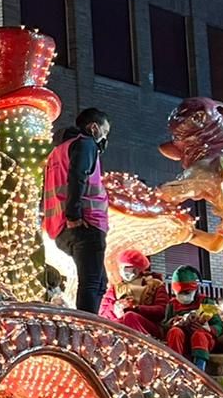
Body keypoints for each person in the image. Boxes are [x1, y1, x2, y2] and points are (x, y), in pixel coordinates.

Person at [42, 107, 111, 314]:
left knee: (100, 283)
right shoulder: (86, 144)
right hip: (85, 224)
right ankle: (86, 336)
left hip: (62, 229)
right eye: (105, 132)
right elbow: (78, 177)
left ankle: (88, 330)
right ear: (94, 128)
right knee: (91, 284)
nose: (105, 138)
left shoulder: (57, 152)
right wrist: (74, 214)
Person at [160, 267, 223, 368]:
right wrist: (174, 322)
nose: (183, 296)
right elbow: (164, 325)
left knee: (199, 335)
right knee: (174, 332)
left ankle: (199, 368)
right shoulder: (172, 304)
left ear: (195, 289)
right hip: (182, 341)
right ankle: (175, 366)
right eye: (180, 293)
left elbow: (219, 325)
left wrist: (209, 328)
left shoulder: (206, 301)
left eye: (187, 293)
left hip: (203, 341)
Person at [100, 249, 167, 339]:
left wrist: (136, 308)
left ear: (138, 269)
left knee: (129, 317)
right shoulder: (116, 288)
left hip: (148, 328)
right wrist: (115, 307)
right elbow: (103, 313)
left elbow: (162, 311)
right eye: (121, 267)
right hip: (120, 325)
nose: (123, 271)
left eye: (128, 268)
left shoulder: (155, 285)